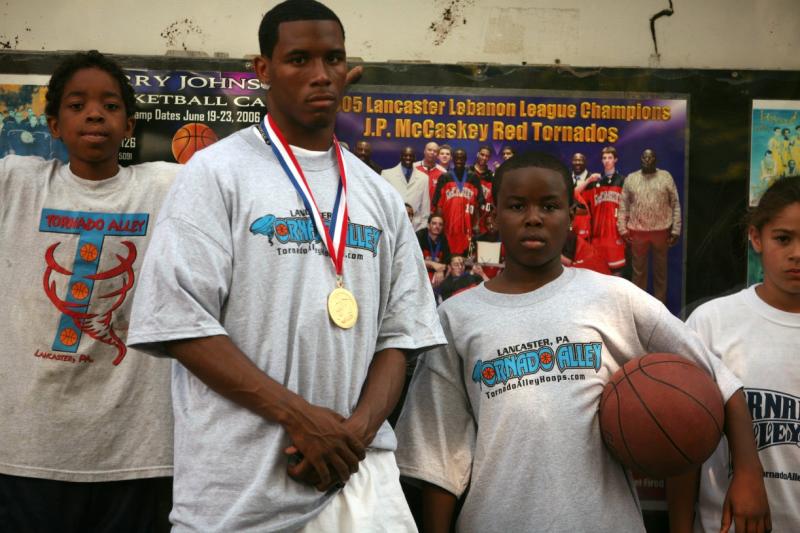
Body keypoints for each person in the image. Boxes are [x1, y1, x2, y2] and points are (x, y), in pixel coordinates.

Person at [127, 2, 444, 531]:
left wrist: (355, 434)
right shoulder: (216, 174)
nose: (321, 75)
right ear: (263, 69)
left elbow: (402, 335)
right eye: (299, 59)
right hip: (239, 493)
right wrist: (300, 418)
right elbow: (180, 322)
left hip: (360, 480)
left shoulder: (378, 195)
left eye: (333, 59)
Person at [395, 150, 770, 533]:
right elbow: (439, 457)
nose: (534, 217)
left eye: (550, 205)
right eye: (517, 205)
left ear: (572, 217)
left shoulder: (614, 297)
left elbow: (721, 381)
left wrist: (748, 472)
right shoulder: (458, 317)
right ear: (493, 216)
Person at [0, 50, 177, 532]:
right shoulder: (17, 183)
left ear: (130, 124)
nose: (95, 113)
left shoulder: (164, 187)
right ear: (53, 125)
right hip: (29, 446)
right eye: (77, 106)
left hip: (135, 449)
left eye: (110, 105)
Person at [668, 176, 800, 533]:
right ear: (756, 238)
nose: (797, 254)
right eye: (783, 238)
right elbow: (684, 445)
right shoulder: (711, 323)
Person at [617, 148, 682, 304]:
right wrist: (622, 228)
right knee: (638, 272)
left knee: (661, 272)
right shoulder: (631, 178)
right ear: (640, 159)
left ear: (655, 159)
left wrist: (676, 229)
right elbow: (623, 205)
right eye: (644, 158)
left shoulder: (665, 177)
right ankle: (639, 306)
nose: (647, 160)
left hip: (661, 231)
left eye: (650, 158)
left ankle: (660, 306)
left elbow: (675, 204)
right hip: (637, 232)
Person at [432, 147, 484, 256]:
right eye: (456, 158)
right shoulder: (445, 177)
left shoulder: (473, 177)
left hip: (467, 227)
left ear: (466, 159)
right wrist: (439, 225)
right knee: (448, 257)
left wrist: (477, 225)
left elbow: (479, 203)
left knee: (465, 259)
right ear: (453, 159)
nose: (459, 160)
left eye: (462, 158)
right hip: (448, 227)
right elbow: (437, 205)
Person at [583, 145, 626, 273]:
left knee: (616, 277)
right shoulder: (594, 182)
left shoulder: (623, 181)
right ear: (601, 160)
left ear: (615, 160)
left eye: (610, 157)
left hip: (616, 236)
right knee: (598, 275)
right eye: (604, 158)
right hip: (598, 237)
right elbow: (577, 197)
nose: (607, 160)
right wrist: (588, 180)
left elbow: (629, 208)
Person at [382, 145, 430, 230]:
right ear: (401, 157)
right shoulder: (387, 174)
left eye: (411, 156)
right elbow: (383, 203)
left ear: (415, 158)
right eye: (405, 155)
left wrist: (421, 229)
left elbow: (425, 209)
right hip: (393, 224)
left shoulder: (424, 178)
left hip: (415, 228)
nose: (408, 158)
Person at [417, 213, 451, 289]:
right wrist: (432, 264)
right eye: (434, 223)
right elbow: (414, 259)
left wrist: (440, 270)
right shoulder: (420, 236)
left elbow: (447, 259)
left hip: (436, 274)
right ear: (428, 225)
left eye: (440, 224)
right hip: (420, 272)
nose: (437, 227)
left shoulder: (443, 238)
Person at [570, 152, 594, 241]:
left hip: (587, 225)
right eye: (575, 160)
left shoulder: (593, 180)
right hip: (570, 224)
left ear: (585, 162)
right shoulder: (566, 178)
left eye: (580, 160)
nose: (577, 163)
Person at [472, 145, 494, 234]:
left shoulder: (491, 176)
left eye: (487, 156)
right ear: (478, 154)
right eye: (482, 154)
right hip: (468, 215)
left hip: (484, 218)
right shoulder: (468, 172)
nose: (484, 158)